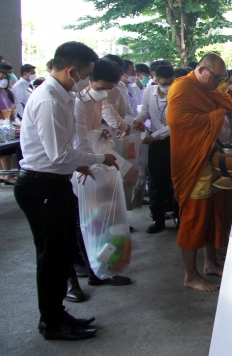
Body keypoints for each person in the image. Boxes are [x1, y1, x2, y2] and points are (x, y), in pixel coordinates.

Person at [15, 41, 118, 340]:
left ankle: (58, 314)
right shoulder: (48, 99)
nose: (86, 82)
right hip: (40, 185)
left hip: (53, 182)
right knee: (51, 257)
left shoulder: (61, 96)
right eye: (85, 75)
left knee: (61, 254)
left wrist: (79, 164)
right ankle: (51, 322)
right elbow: (58, 155)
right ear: (72, 71)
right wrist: (98, 158)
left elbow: (62, 153)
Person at [167, 53, 232, 292]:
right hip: (192, 162)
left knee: (211, 211)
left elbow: (222, 102)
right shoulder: (183, 87)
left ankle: (209, 263)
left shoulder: (204, 88)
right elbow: (177, 120)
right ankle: (190, 275)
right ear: (202, 70)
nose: (218, 82)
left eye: (221, 78)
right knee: (194, 217)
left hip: (209, 158)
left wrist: (219, 106)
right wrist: (217, 117)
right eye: (216, 77)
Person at [70, 58, 133, 301]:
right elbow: (77, 141)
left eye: (110, 87)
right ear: (88, 80)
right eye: (102, 87)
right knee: (82, 222)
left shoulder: (99, 99)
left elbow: (91, 129)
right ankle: (85, 271)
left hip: (95, 164)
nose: (105, 92)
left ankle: (101, 267)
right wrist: (97, 158)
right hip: (81, 168)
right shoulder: (76, 103)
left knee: (100, 220)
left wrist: (101, 132)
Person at [134, 64, 178, 234]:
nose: (167, 86)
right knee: (155, 183)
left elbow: (176, 123)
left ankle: (178, 216)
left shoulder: (177, 94)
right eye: (164, 83)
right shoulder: (149, 92)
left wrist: (156, 135)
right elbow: (145, 111)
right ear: (155, 78)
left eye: (170, 83)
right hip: (155, 145)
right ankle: (157, 219)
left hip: (173, 141)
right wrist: (138, 121)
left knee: (174, 181)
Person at [99, 54, 132, 134]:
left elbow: (124, 112)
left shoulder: (119, 88)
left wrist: (133, 122)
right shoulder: (85, 93)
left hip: (115, 134)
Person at [0, 70, 17, 184]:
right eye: (1, 78)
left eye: (5, 78)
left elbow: (13, 107)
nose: (3, 81)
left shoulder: (9, 93)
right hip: (2, 124)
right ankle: (6, 174)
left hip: (8, 123)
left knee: (9, 148)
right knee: (4, 150)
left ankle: (6, 173)